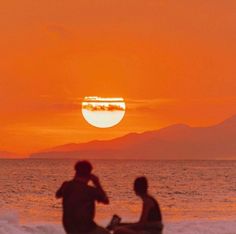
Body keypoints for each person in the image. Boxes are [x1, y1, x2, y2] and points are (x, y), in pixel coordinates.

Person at [56, 160, 110, 234]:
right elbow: (106, 201)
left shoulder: (66, 185)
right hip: (86, 228)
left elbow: (57, 195)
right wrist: (97, 183)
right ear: (89, 174)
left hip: (69, 227)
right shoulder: (90, 191)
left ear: (76, 172)